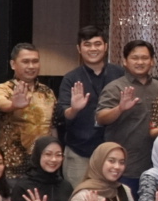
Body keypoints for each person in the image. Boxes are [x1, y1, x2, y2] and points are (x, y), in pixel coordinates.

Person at [53, 26, 124, 187]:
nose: (93, 49)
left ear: (105, 47)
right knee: (79, 196)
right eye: (87, 44)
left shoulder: (119, 74)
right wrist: (74, 109)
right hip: (80, 151)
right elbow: (62, 114)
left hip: (113, 152)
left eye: (97, 44)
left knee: (110, 198)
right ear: (79, 49)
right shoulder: (71, 78)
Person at [96, 41, 158, 185]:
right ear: (125, 61)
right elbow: (101, 118)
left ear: (152, 61)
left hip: (155, 167)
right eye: (135, 58)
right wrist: (119, 108)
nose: (140, 62)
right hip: (123, 168)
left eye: (144, 58)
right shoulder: (115, 87)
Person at [0, 43, 56, 177]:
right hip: (13, 166)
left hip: (43, 164)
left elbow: (53, 125)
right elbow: (0, 104)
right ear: (13, 64)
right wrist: (14, 105)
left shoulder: (47, 92)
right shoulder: (4, 88)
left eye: (35, 61)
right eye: (26, 62)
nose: (31, 66)